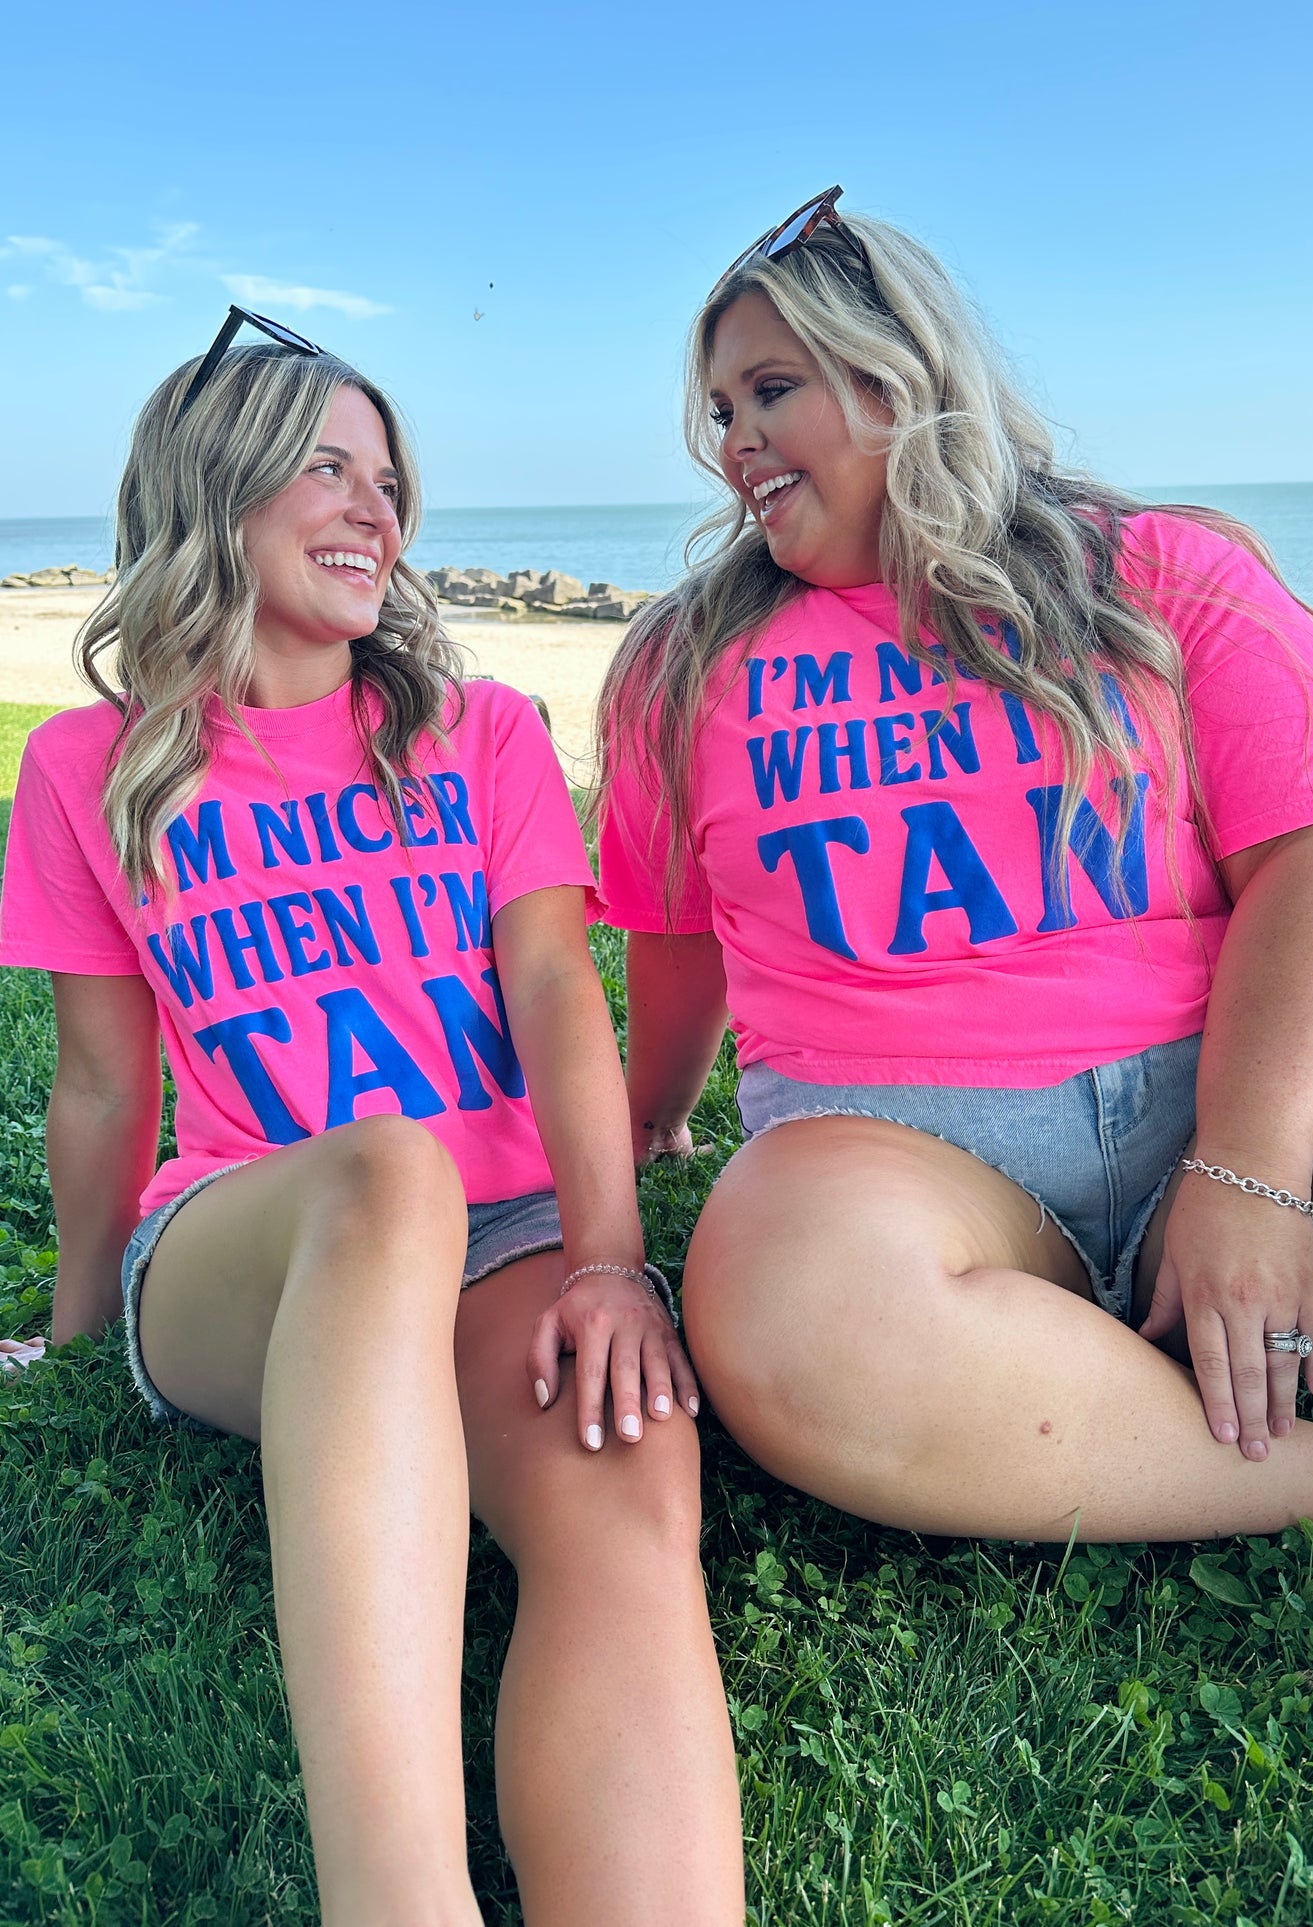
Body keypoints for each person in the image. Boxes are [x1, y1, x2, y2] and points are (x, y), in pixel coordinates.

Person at [0, 315, 745, 1925]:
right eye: (328, 469)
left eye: (389, 481)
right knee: (390, 1171)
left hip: (508, 1240)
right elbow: (106, 1084)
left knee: (627, 1508)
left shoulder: (478, 734)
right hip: (256, 1254)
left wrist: (607, 1259)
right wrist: (76, 1330)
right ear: (215, 488)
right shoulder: (88, 768)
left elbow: (555, 990)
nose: (375, 510)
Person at [595, 190, 1313, 1550]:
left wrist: (1249, 1172)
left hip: (1226, 1094)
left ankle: (1118, 1396)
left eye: (771, 389)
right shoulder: (678, 667)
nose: (734, 440)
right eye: (720, 409)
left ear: (897, 376)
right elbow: (674, 933)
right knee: (787, 1315)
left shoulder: (1165, 573)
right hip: (894, 1163)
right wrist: (651, 1112)